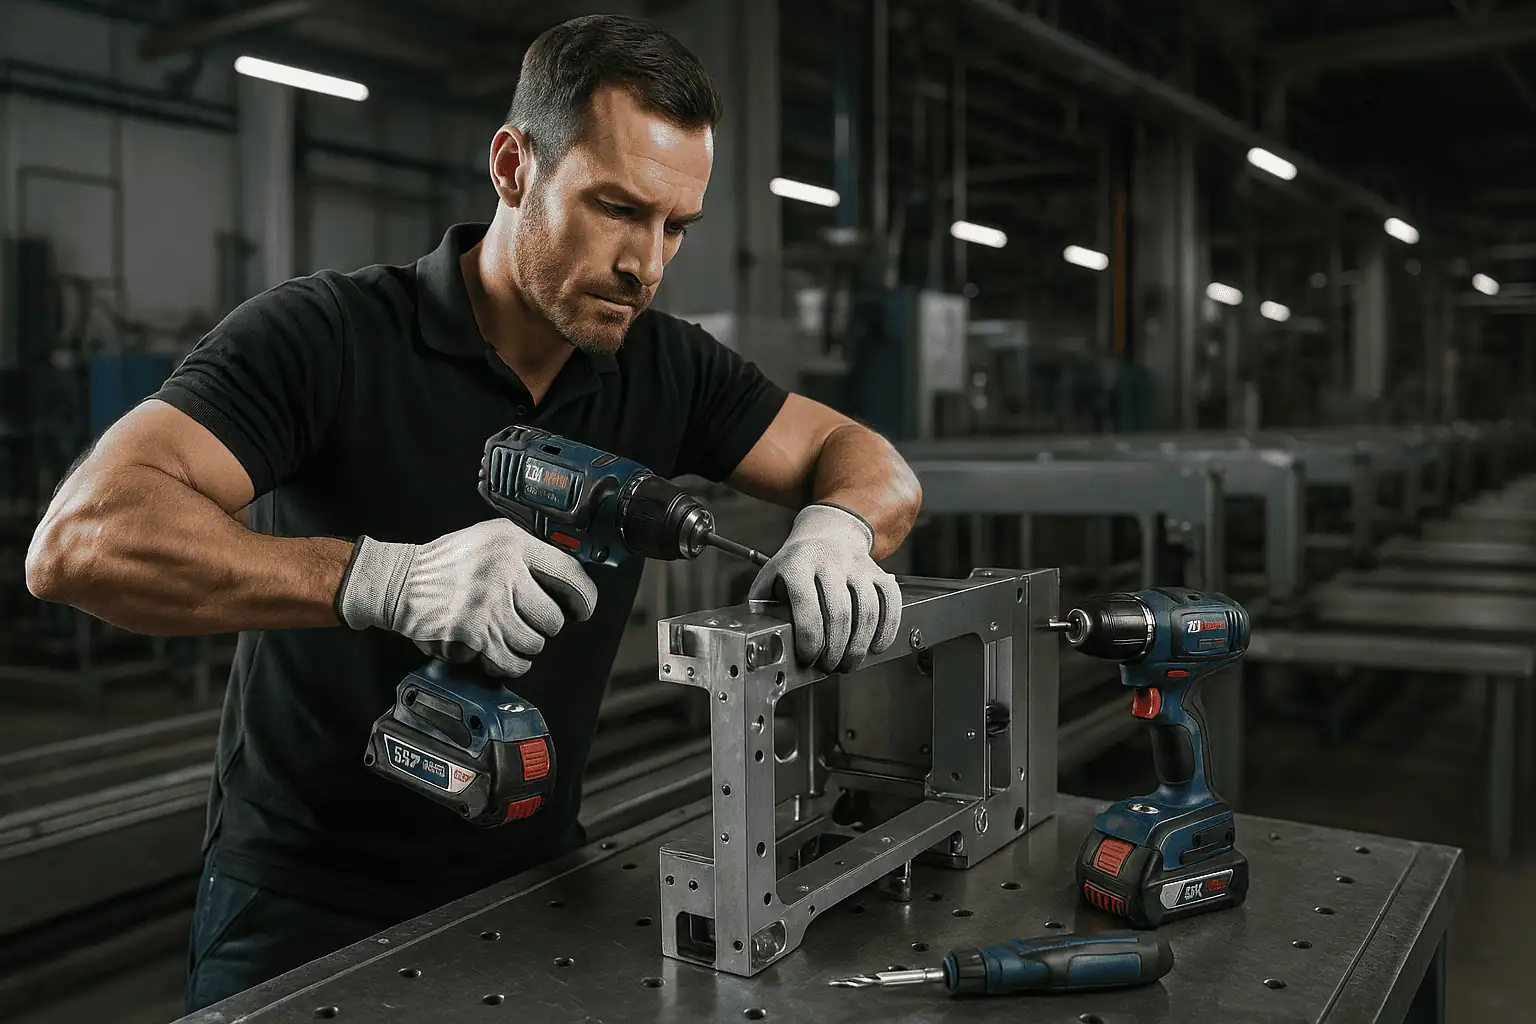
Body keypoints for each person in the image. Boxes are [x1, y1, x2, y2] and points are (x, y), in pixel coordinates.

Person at [24, 12, 922, 1016]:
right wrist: (382, 581)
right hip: (298, 900)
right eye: (616, 208)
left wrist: (837, 527)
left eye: (676, 227)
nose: (648, 264)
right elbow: (81, 541)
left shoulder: (664, 368)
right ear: (510, 165)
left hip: (539, 879)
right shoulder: (326, 336)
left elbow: (873, 464)